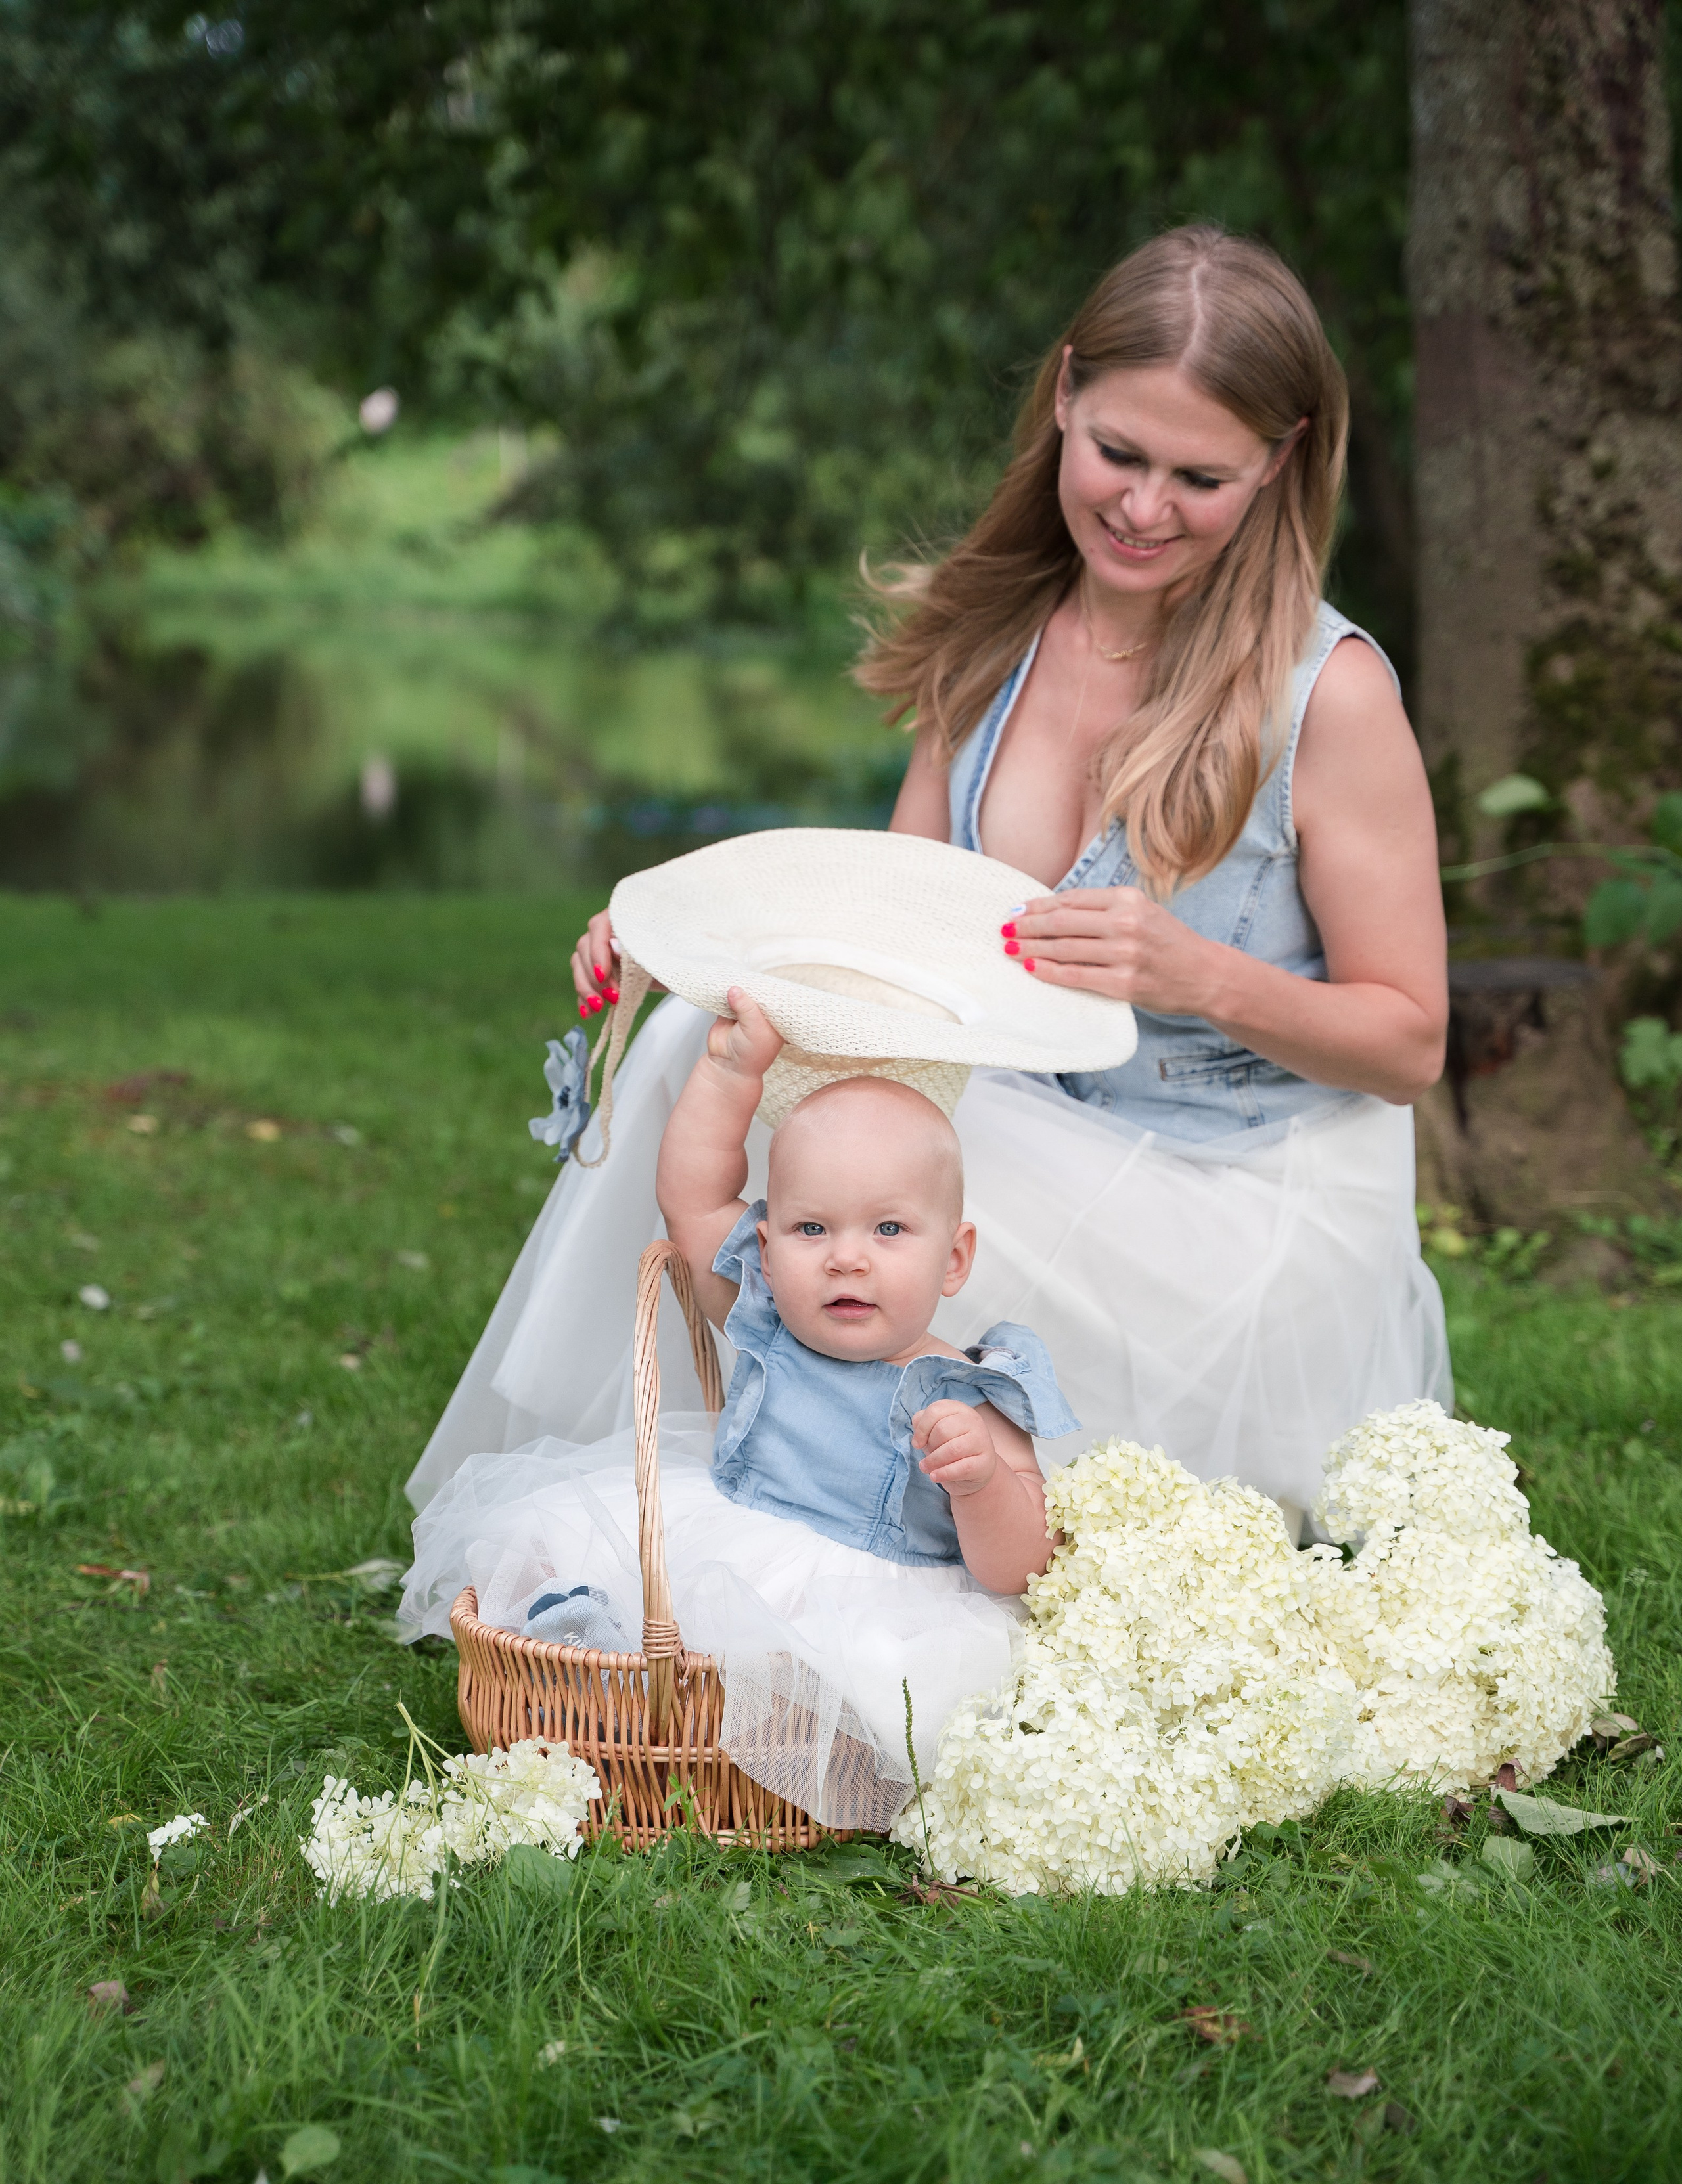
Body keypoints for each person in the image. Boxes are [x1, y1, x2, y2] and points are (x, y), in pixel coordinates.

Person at [549, 225, 1449, 1536]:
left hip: (1226, 1193)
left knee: (876, 1207)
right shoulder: (996, 636)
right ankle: (715, 1517)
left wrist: (1195, 974)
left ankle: (845, 1524)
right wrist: (671, 943)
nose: (1143, 510)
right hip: (1011, 1115)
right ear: (1065, 393)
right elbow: (885, 930)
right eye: (1118, 454)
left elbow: (1409, 1043)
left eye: (1198, 477)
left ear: (1281, 460)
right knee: (705, 1052)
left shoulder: (1328, 692)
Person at [399, 991, 1079, 1829]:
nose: (846, 1259)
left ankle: (680, 1713)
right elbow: (691, 1199)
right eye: (810, 1227)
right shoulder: (770, 1315)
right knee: (560, 1547)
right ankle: (594, 1644)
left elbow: (1019, 1567)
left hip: (872, 1598)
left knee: (828, 1670)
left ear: (955, 1258)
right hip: (726, 1536)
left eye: (891, 1229)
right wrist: (730, 1073)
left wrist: (978, 1481)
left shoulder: (972, 1389)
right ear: (767, 1245)